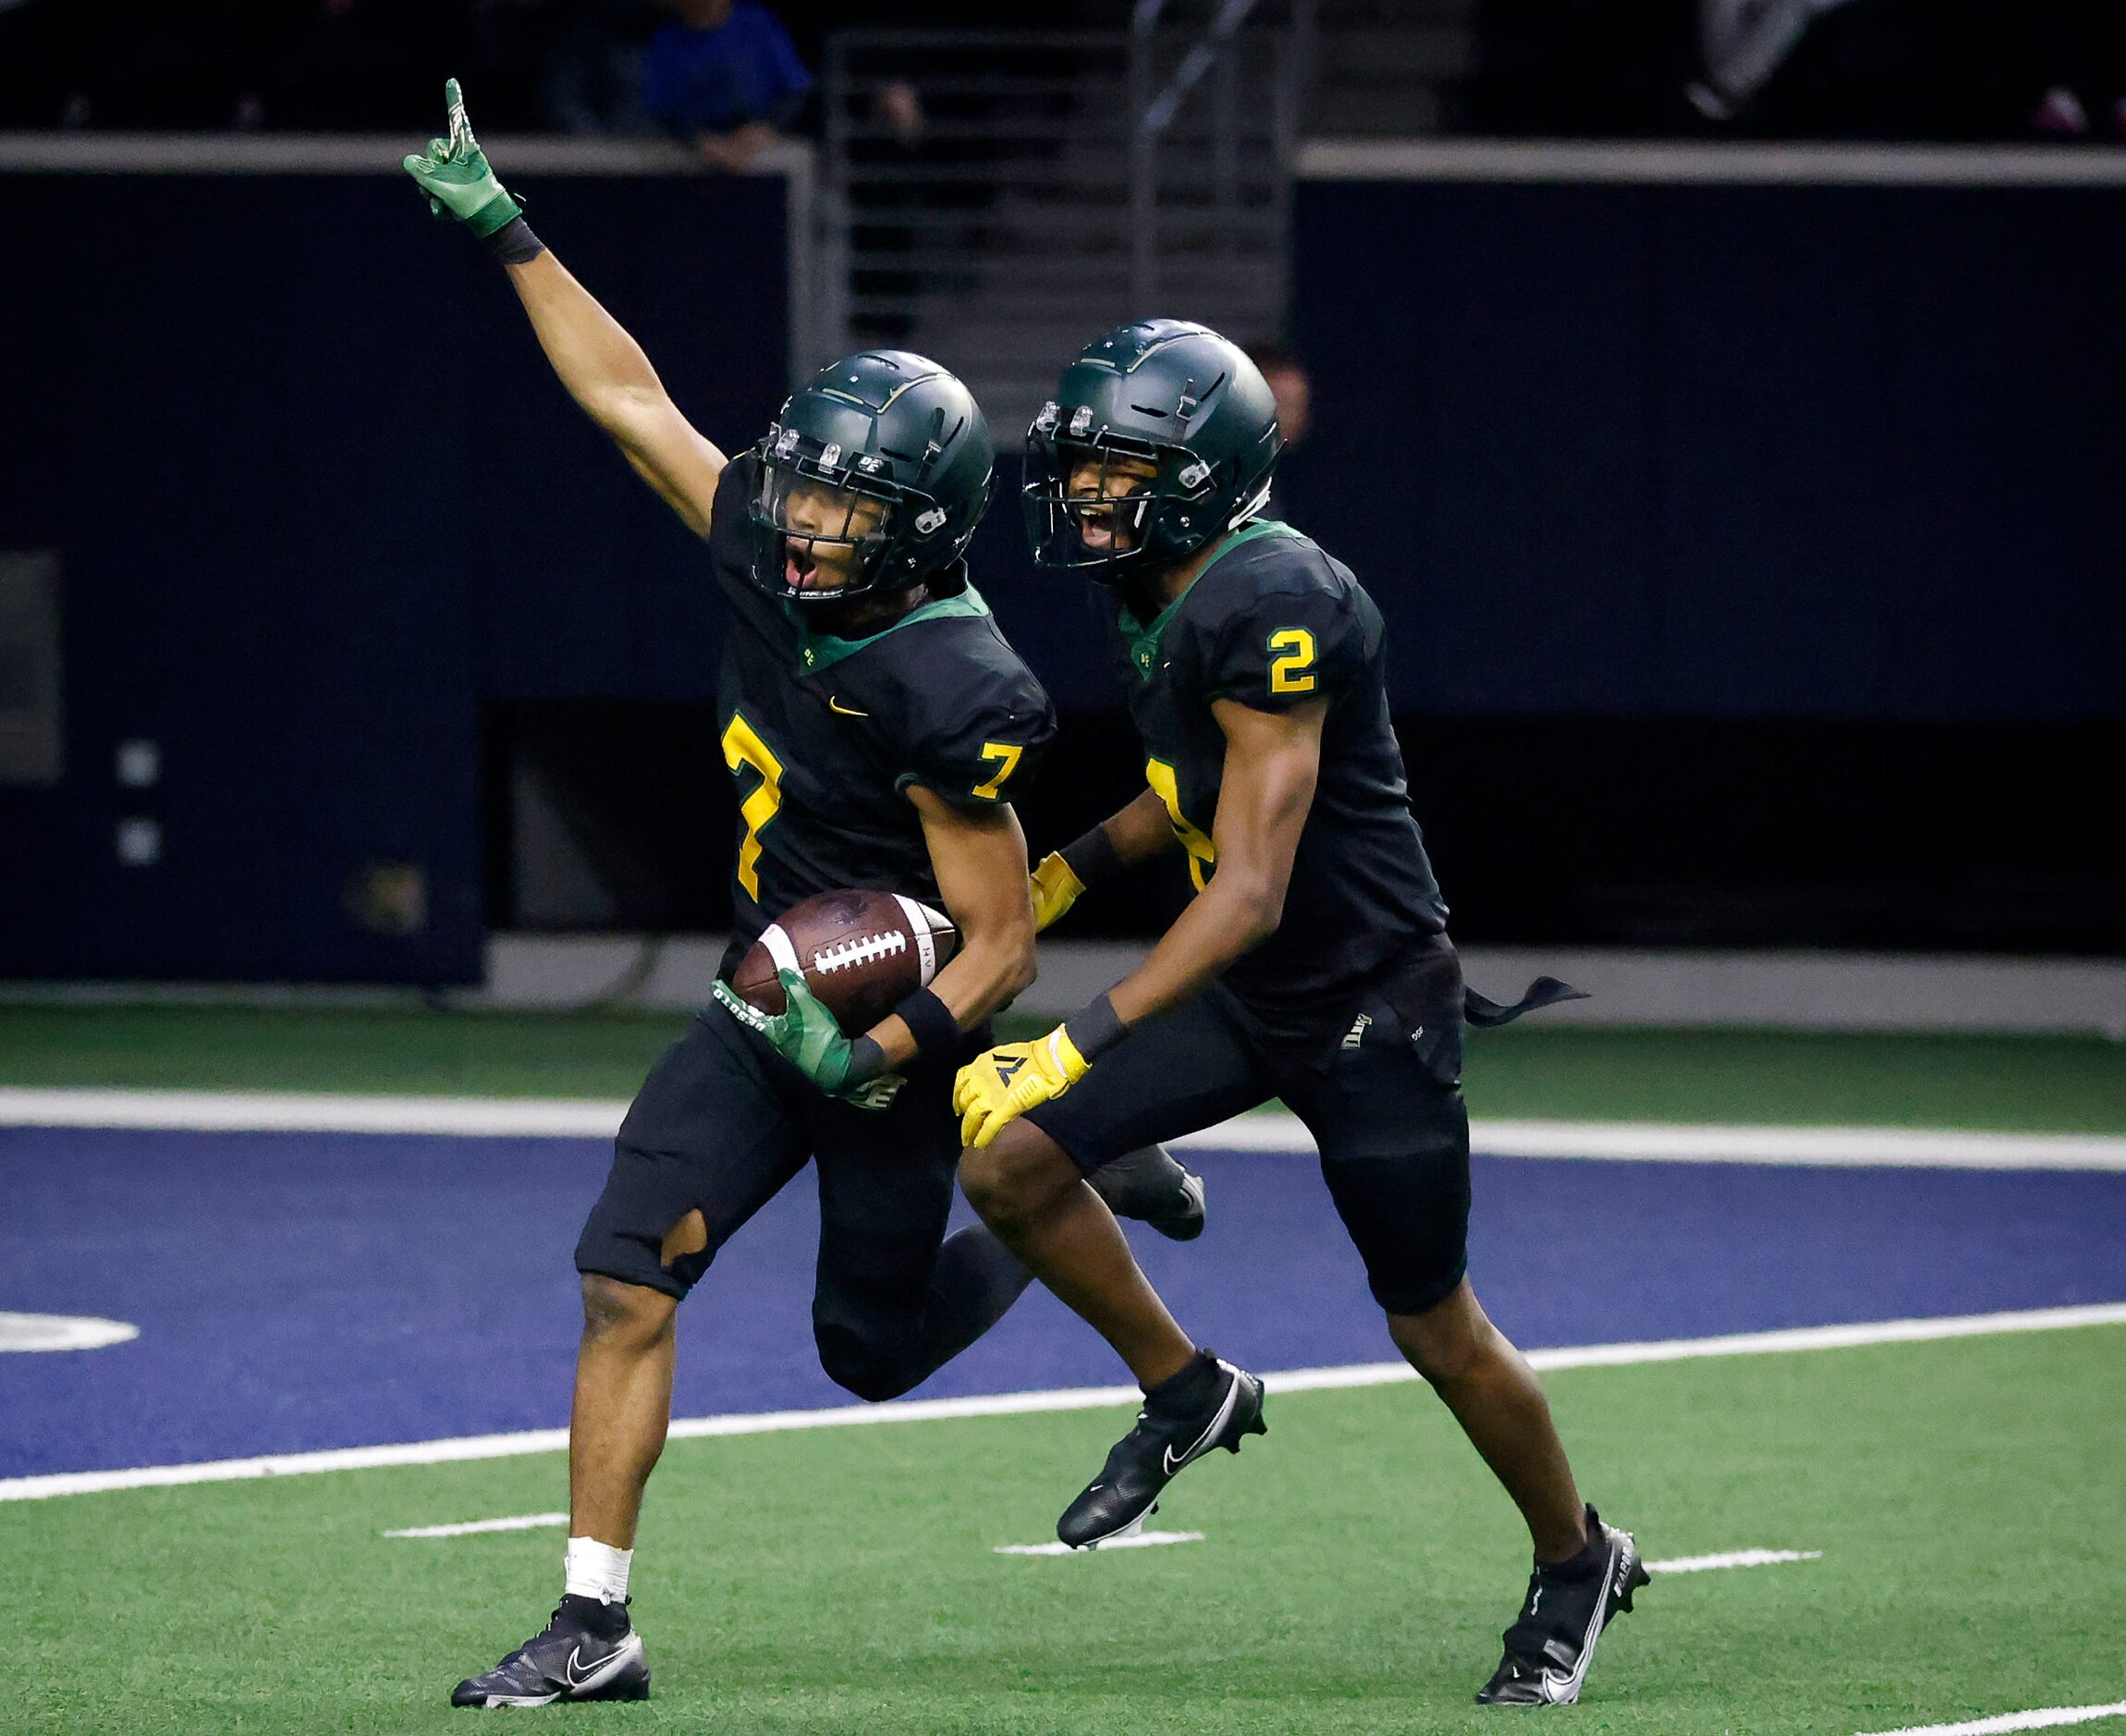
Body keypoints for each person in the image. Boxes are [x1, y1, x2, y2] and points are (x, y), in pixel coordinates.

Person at [400, 84, 1198, 1707]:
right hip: (767, 985)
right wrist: (510, 233)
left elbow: (1006, 937)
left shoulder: (948, 677)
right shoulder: (767, 541)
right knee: (627, 1266)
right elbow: (630, 400)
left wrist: (893, 1038)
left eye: (849, 509)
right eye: (806, 493)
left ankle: (1074, 1147)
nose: (811, 526)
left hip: (899, 998)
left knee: (870, 1352)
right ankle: (593, 1617)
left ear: (917, 534)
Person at [951, 319, 1647, 1708]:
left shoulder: (1280, 594)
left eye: (1118, 468)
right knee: (1008, 1157)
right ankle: (1186, 1388)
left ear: (1204, 471)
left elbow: (1255, 885)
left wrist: (1078, 1031)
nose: (1087, 493)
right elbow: (1187, 788)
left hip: (1365, 1001)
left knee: (1433, 1325)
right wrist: (1064, 869)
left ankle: (1576, 1556)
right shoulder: (1157, 578)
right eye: (1083, 466)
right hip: (1253, 987)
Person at [642, 0, 810, 171]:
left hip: (759, 147)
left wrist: (767, 127)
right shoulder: (666, 41)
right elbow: (663, 111)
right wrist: (700, 140)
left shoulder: (757, 23)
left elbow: (797, 90)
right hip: (694, 154)